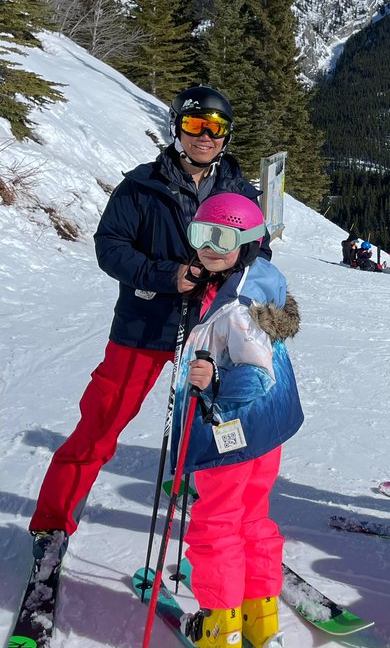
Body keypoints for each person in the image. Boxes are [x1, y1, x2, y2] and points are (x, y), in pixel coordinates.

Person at [29, 86, 266, 550]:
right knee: (99, 425)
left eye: (215, 127)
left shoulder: (240, 191)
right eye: (195, 124)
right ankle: (53, 523)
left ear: (226, 135)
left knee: (219, 428)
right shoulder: (141, 186)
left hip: (211, 331)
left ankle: (221, 522)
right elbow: (110, 247)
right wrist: (168, 275)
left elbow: (259, 248)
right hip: (143, 326)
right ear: (176, 128)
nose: (205, 136)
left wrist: (227, 270)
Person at [173, 193, 303, 648]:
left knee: (217, 523)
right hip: (266, 434)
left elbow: (255, 375)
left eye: (221, 237)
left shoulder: (238, 310)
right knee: (252, 519)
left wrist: (215, 380)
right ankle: (260, 620)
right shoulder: (260, 280)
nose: (208, 246)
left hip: (230, 432)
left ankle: (220, 630)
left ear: (246, 243)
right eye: (200, 234)